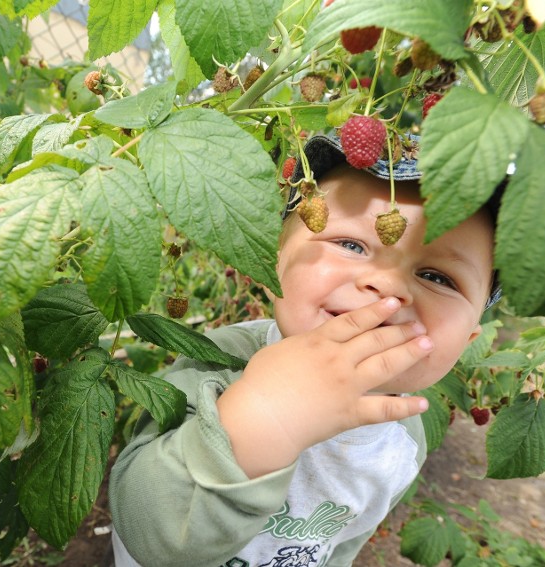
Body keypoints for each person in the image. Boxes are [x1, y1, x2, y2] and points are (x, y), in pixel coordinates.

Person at [108, 131, 502, 567]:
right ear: (274, 260)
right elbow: (147, 530)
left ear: (467, 341)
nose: (387, 285)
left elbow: (343, 540)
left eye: (439, 278)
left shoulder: (404, 444)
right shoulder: (219, 361)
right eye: (351, 245)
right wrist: (265, 414)